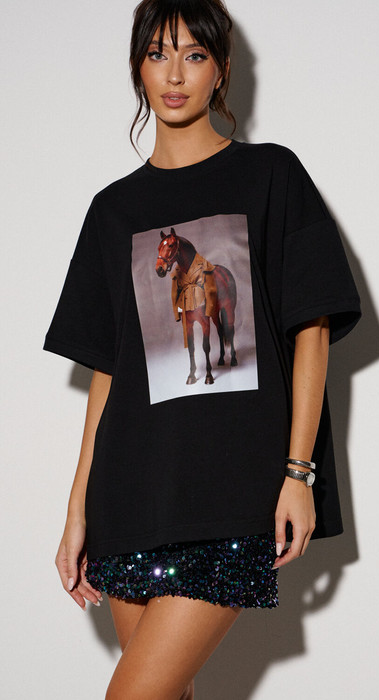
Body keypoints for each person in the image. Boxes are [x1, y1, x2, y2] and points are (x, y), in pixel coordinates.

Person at [43, 1, 361, 697]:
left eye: (194, 54)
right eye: (158, 54)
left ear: (222, 69)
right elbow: (108, 372)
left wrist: (299, 474)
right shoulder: (112, 211)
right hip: (129, 498)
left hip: (233, 492)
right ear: (138, 69)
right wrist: (77, 510)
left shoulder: (271, 174)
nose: (175, 74)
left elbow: (310, 330)